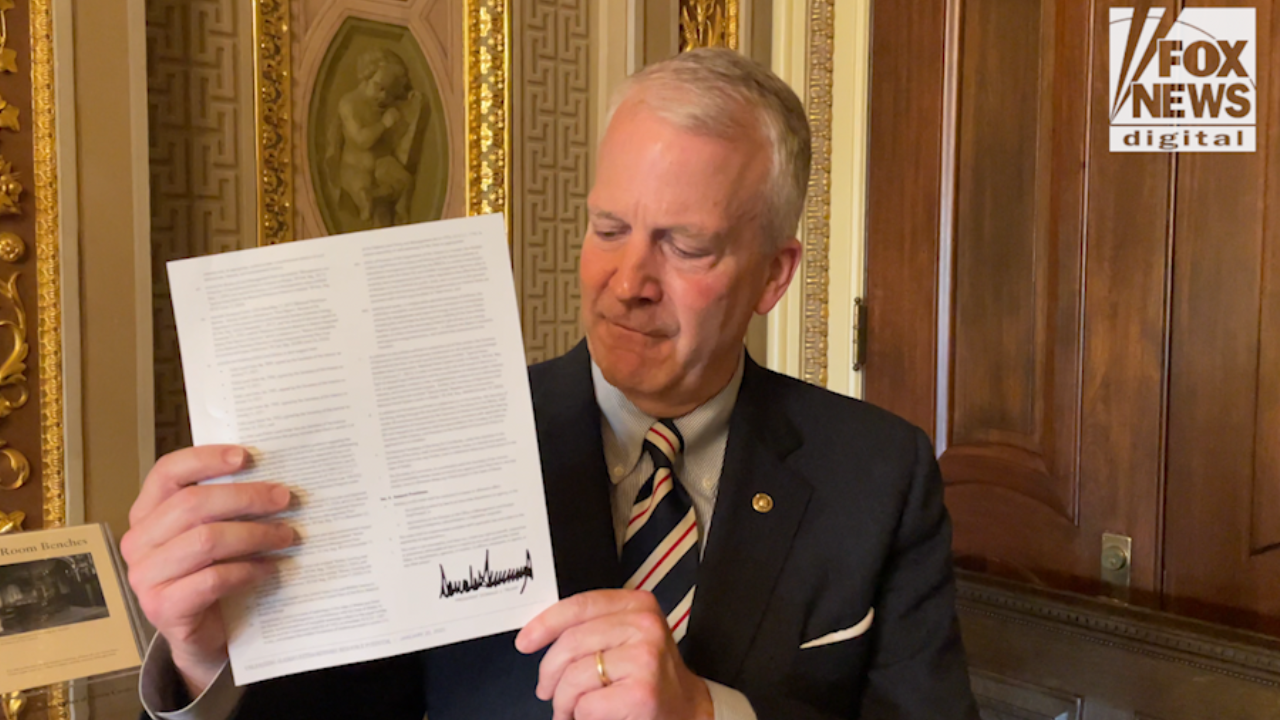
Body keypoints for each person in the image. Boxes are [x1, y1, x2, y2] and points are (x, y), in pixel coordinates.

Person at [123, 48, 980, 719]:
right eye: (608, 228)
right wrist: (202, 657)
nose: (628, 281)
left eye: (685, 246)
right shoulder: (440, 444)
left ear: (773, 275)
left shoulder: (880, 475)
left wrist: (706, 714)